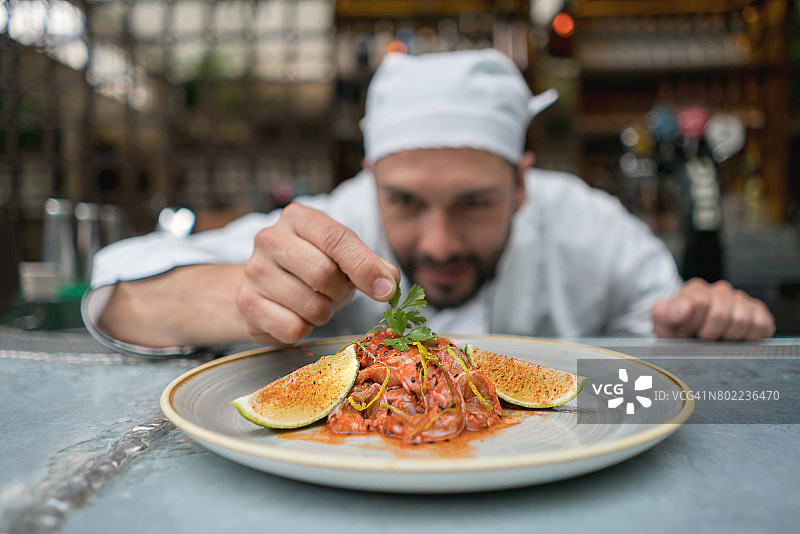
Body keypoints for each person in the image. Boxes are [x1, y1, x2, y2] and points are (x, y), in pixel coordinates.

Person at [82, 49, 775, 356]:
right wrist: (243, 295)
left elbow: (664, 338)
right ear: (369, 178)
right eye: (406, 202)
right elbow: (117, 295)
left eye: (475, 203)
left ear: (523, 183)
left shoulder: (590, 227)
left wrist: (703, 335)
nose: (439, 243)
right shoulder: (341, 221)